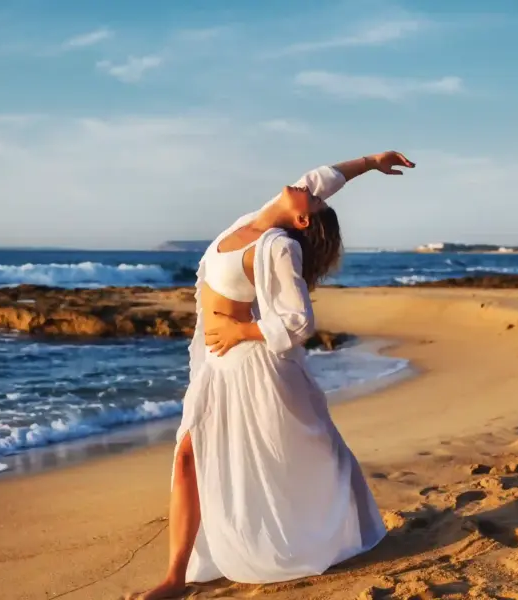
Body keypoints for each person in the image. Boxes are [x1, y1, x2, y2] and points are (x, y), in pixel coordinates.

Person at [130, 151, 416, 599]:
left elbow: (300, 321)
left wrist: (242, 329)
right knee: (189, 457)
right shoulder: (258, 219)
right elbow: (322, 178)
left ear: (302, 221)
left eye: (314, 201)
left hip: (250, 367)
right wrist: (371, 161)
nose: (309, 189)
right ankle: (174, 577)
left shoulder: (278, 246)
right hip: (216, 368)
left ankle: (338, 525)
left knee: (299, 453)